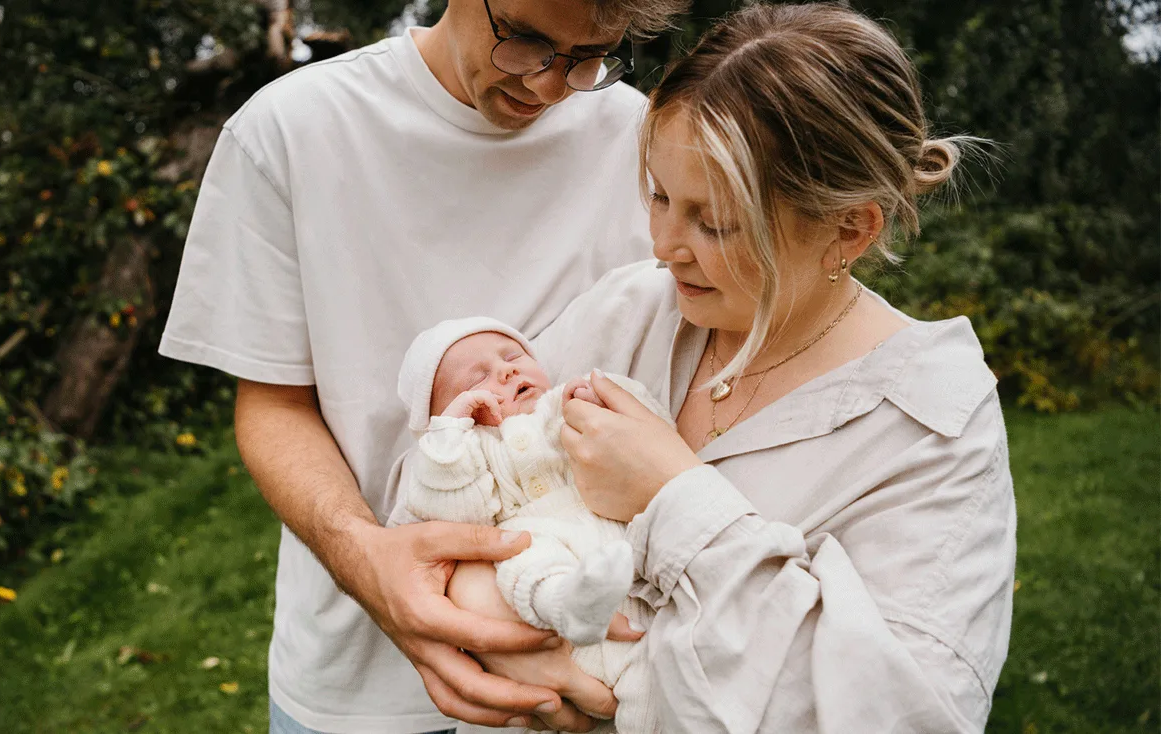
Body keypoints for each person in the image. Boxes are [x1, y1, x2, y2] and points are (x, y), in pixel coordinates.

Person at [446, 4, 1017, 732]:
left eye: (715, 223)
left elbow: (901, 715)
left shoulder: (930, 432)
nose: (664, 246)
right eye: (657, 196)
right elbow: (459, 489)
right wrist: (500, 639)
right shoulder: (632, 311)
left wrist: (676, 498)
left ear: (850, 225)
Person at [157, 0, 688, 730]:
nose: (548, 84)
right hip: (358, 687)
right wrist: (365, 560)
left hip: (599, 670)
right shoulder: (288, 130)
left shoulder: (641, 138)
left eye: (589, 54)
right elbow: (274, 404)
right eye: (526, 39)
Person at [390, 317, 670, 733]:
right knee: (525, 557)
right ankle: (569, 605)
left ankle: (587, 607)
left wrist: (605, 397)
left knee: (651, 691)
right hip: (534, 561)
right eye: (478, 377)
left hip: (619, 567)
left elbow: (650, 431)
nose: (505, 371)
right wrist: (450, 435)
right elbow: (456, 513)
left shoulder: (565, 407)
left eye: (513, 356)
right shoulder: (463, 452)